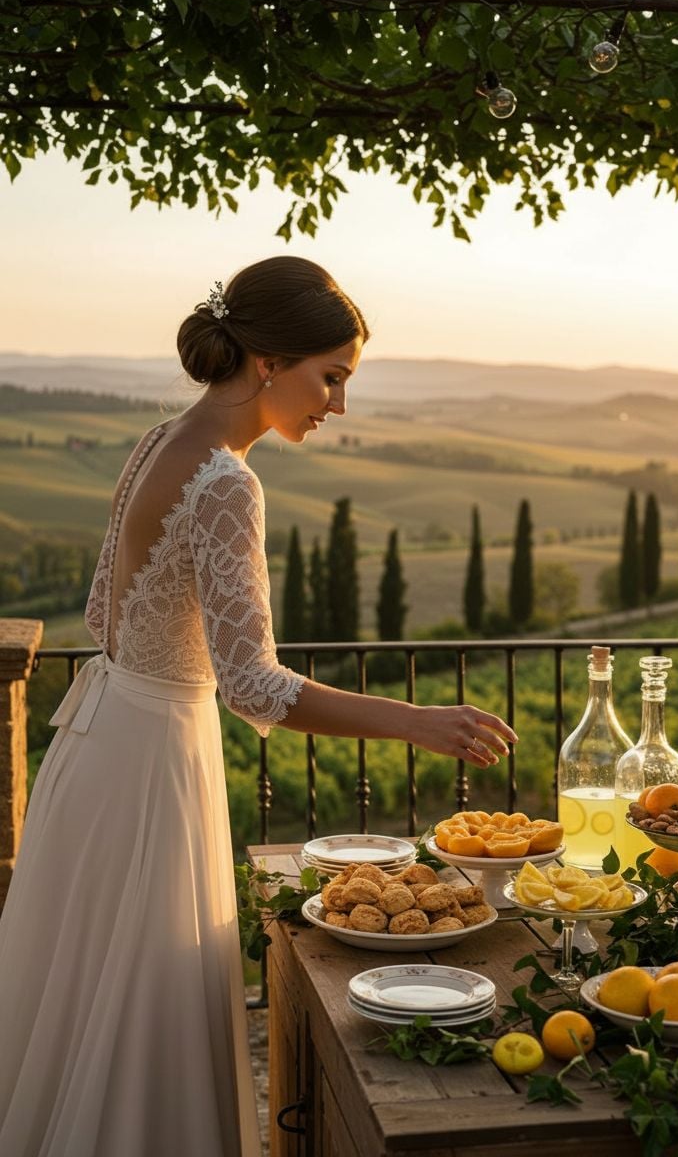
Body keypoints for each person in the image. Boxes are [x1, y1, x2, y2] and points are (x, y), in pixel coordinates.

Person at [0, 256, 517, 1157]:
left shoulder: (158, 442)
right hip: (153, 767)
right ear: (270, 361)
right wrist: (416, 721)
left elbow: (101, 616)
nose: (337, 405)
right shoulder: (228, 481)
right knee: (140, 1006)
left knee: (81, 1000)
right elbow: (251, 686)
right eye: (331, 378)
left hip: (98, 747)